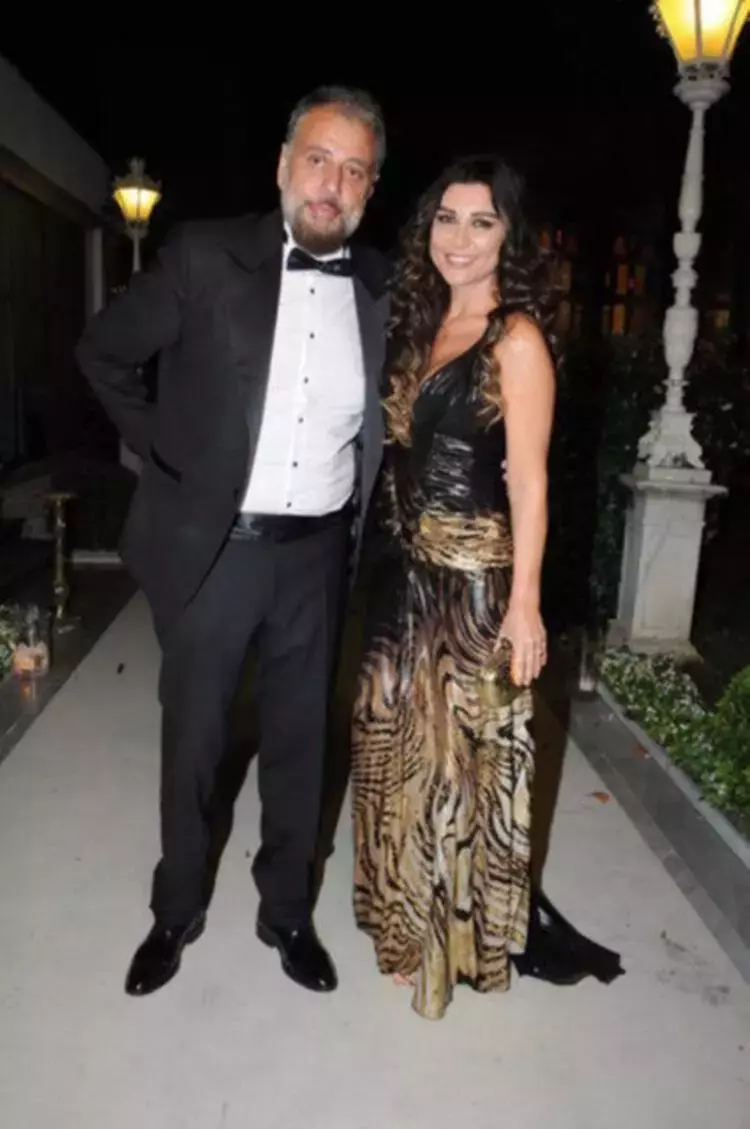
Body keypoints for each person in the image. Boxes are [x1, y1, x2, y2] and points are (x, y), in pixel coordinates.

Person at [75, 85, 389, 997]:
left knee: (302, 741)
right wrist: (171, 456)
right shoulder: (204, 256)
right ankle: (176, 907)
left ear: (370, 189)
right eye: (318, 160)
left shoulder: (381, 285)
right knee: (195, 740)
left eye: (355, 171)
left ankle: (285, 909)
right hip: (219, 550)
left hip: (317, 554)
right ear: (285, 165)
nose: (332, 185)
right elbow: (104, 353)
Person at [351, 155, 623, 1020]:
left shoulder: (517, 339)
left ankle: (450, 943)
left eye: (481, 221)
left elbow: (530, 482)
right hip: (403, 577)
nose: (459, 239)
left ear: (510, 235)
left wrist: (525, 602)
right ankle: (402, 923)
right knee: (388, 744)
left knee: (455, 773)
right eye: (446, 218)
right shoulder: (422, 320)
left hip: (472, 585)